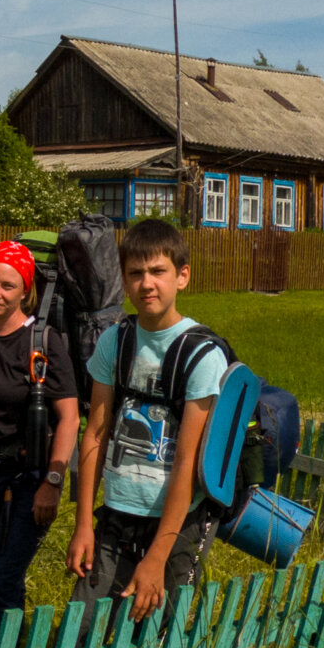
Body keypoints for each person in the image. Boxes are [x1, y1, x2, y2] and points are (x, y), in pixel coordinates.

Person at [66, 218, 228, 620]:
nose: (147, 284)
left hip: (178, 523)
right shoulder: (114, 341)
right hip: (117, 511)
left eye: (158, 271)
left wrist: (157, 557)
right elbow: (95, 435)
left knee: (153, 634)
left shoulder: (203, 356)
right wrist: (83, 522)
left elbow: (188, 462)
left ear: (182, 276)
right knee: (82, 627)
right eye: (136, 274)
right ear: (123, 279)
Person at [0, 240, 81, 628]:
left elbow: (70, 419)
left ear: (25, 290)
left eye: (7, 286)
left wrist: (53, 483)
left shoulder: (43, 344)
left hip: (26, 479)